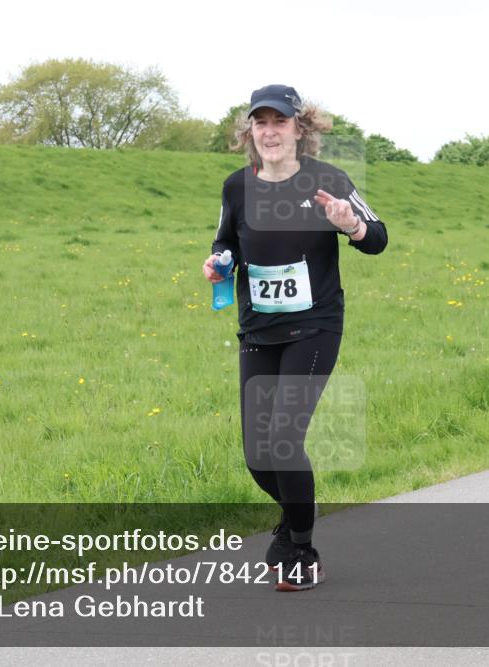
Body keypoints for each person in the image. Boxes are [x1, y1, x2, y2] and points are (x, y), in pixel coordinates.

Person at [202, 84, 388, 591]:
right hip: (259, 331)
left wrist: (349, 225)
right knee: (258, 456)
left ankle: (303, 551)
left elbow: (378, 238)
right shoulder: (237, 187)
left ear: (299, 129)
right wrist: (218, 262)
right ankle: (295, 515)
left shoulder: (329, 180)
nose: (269, 131)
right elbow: (225, 241)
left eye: (279, 122)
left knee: (284, 441)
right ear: (249, 132)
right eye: (259, 123)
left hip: (315, 327)